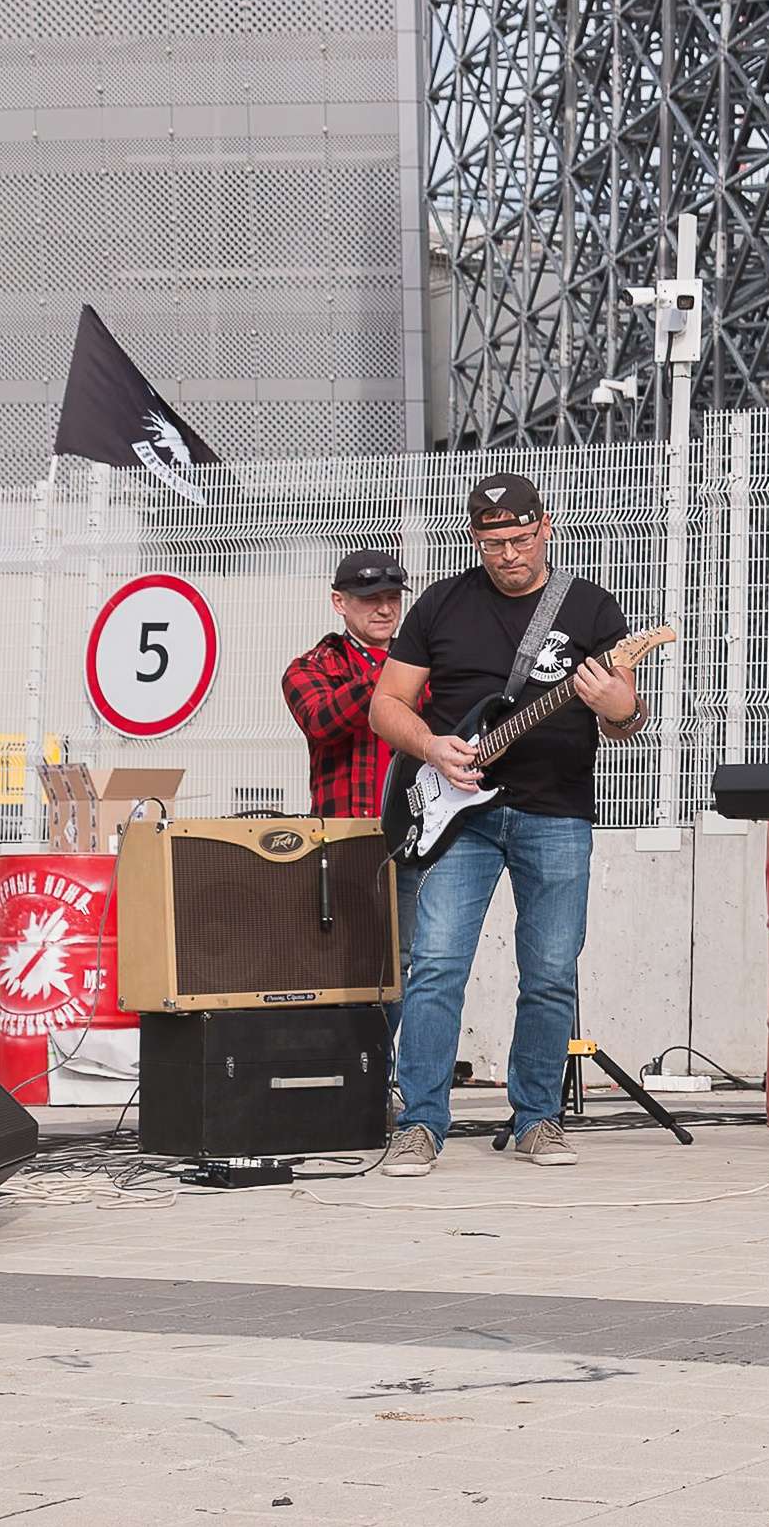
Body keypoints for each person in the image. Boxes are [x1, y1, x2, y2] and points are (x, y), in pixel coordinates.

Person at [366, 473, 646, 1176]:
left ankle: (537, 1118)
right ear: (475, 540)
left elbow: (629, 725)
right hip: (459, 815)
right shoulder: (442, 603)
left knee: (550, 971)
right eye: (494, 543)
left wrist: (615, 701)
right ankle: (418, 1122)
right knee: (434, 964)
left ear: (546, 527)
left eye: (521, 539)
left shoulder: (589, 607)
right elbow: (386, 705)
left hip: (556, 811)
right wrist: (432, 747)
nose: (510, 554)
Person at [281, 548, 418, 1035]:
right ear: (340, 603)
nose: (384, 609)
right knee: (351, 967)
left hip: (419, 835)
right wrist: (393, 672)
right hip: (346, 840)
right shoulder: (309, 667)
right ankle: (359, 1083)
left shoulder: (423, 666)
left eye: (391, 598)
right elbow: (321, 721)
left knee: (413, 961)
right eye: (369, 600)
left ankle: (383, 1078)